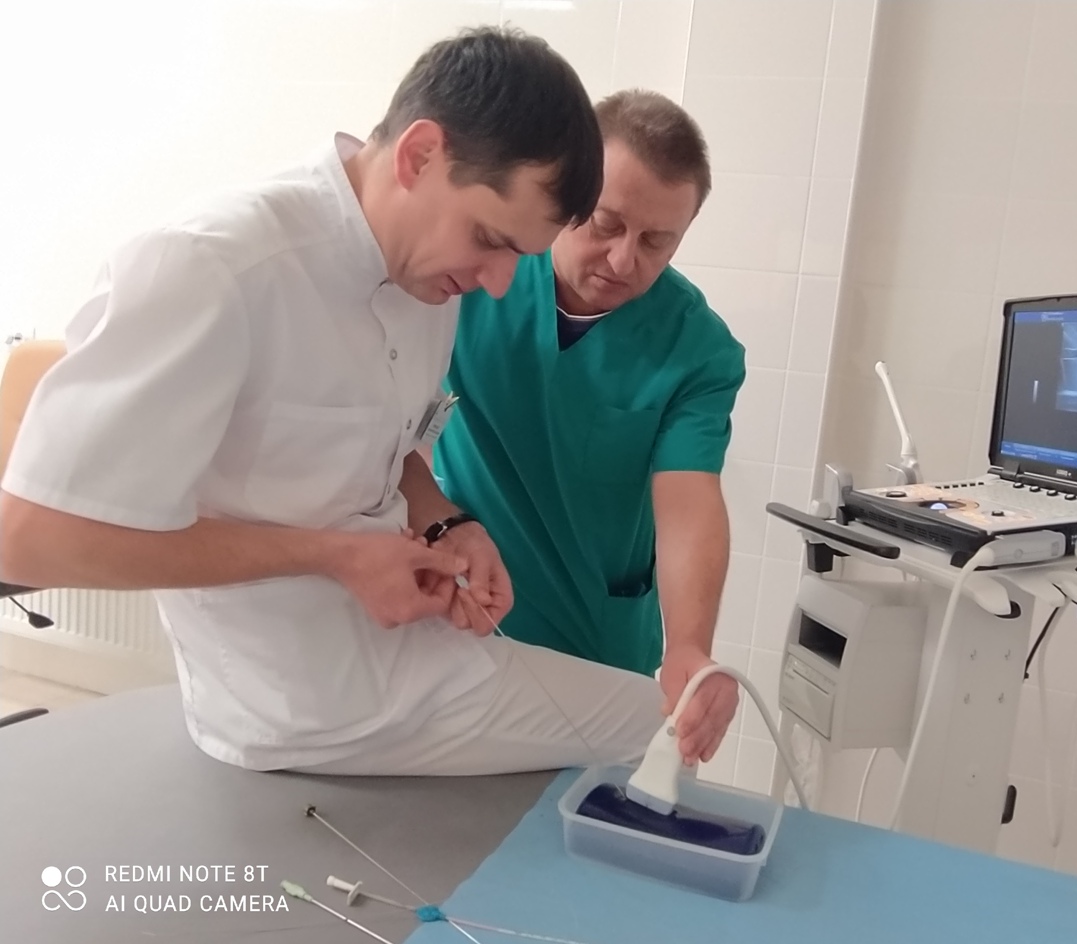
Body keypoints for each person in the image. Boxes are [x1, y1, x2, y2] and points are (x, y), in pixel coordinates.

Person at [0, 27, 665, 776]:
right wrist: (335, 557)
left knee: (658, 733)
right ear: (419, 155)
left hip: (412, 657)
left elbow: (389, 445)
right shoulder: (212, 267)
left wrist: (447, 521)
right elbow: (27, 539)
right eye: (490, 238)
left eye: (520, 255)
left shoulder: (430, 277)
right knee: (651, 740)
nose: (499, 282)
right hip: (292, 709)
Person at [432, 90, 746, 768]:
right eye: (607, 223)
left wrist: (689, 645)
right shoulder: (479, 272)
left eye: (657, 242)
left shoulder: (698, 349)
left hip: (593, 637)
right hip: (459, 606)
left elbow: (689, 501)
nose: (624, 260)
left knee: (579, 810)